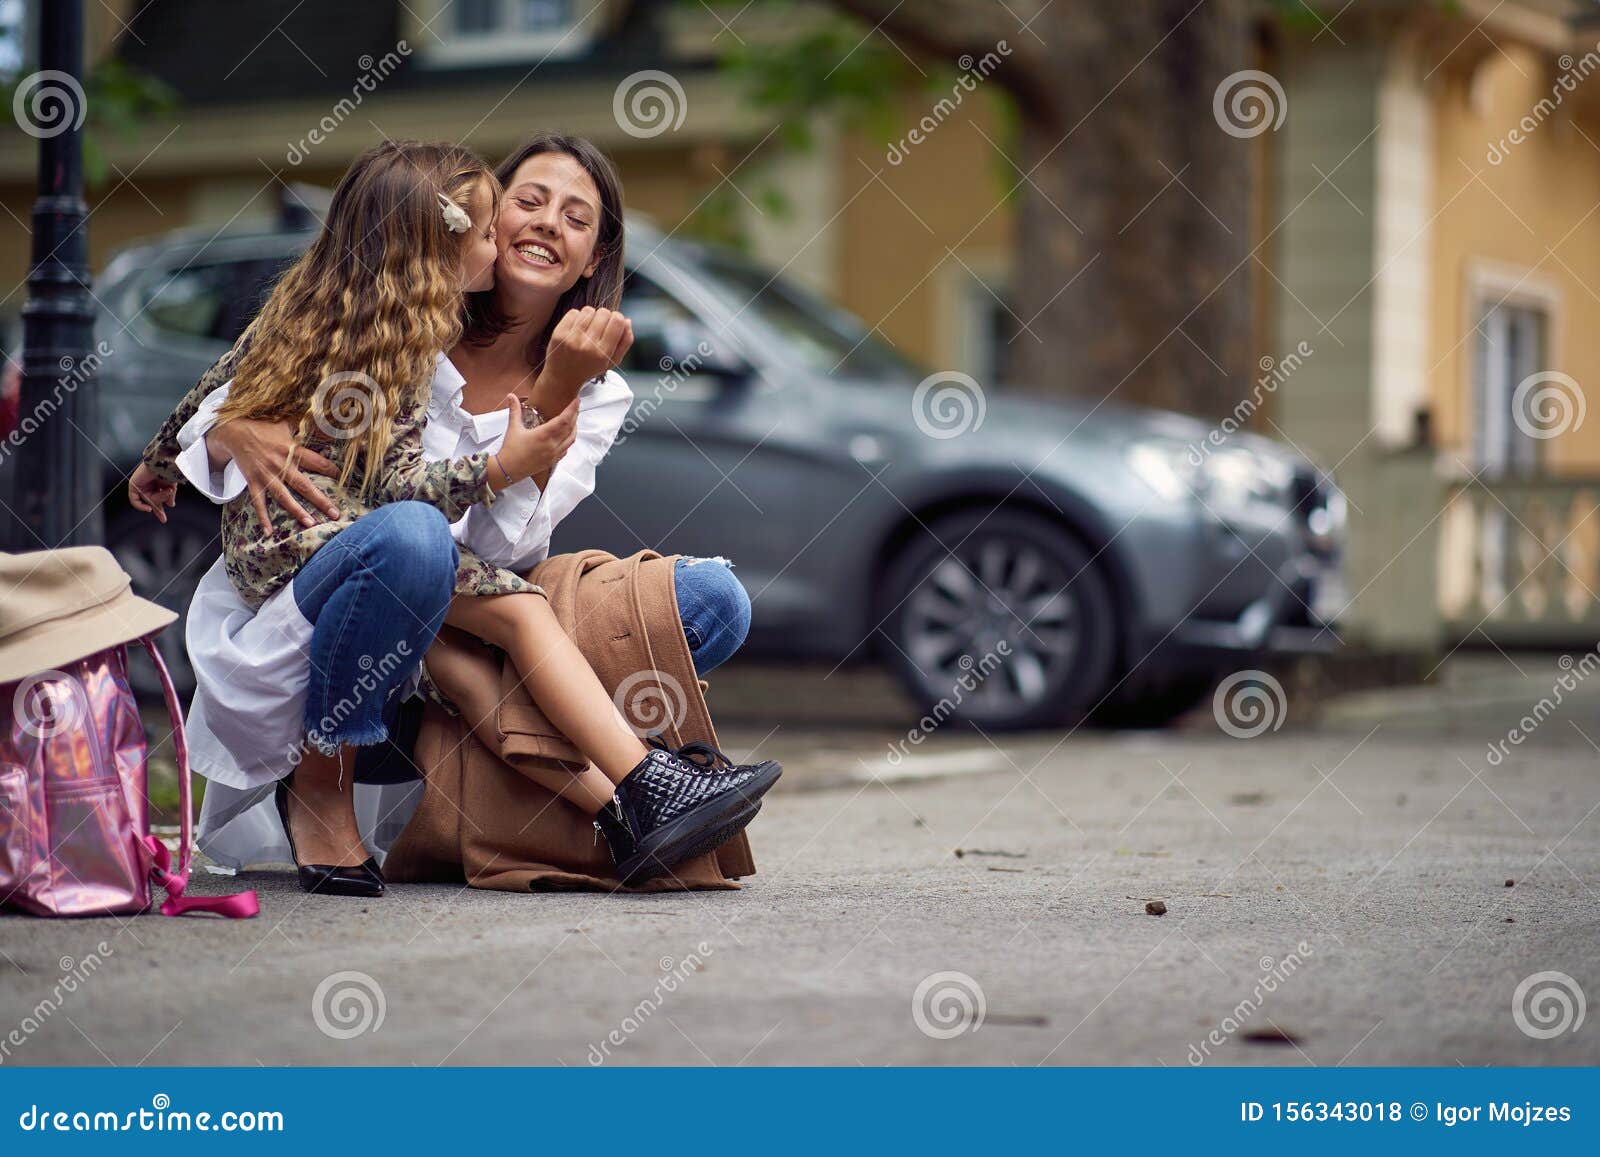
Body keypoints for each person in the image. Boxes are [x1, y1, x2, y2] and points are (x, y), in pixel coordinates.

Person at [131, 139, 774, 896]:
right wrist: (219, 430)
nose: (542, 226)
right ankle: (627, 790)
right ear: (483, 221)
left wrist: (556, 392)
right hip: (354, 582)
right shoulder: (411, 329)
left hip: (428, 584)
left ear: (596, 254)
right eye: (526, 202)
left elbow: (504, 542)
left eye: (576, 217)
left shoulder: (592, 389)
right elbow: (252, 402)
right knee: (447, 575)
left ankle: (629, 805)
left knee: (702, 603)